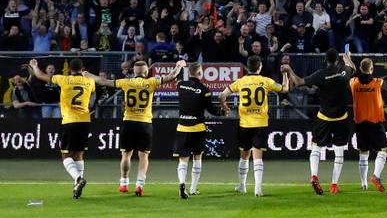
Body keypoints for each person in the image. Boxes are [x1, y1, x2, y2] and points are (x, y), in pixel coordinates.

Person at [89, 57, 185, 196]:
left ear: (134, 72)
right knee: (143, 156)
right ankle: (139, 185)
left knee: (126, 155)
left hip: (129, 122)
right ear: (146, 72)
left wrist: (88, 75)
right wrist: (179, 65)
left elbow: (103, 81)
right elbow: (171, 76)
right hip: (145, 123)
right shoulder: (151, 82)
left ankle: (124, 183)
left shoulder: (126, 82)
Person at [284, 49, 356, 194]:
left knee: (316, 146)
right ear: (338, 60)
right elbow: (353, 69)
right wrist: (348, 58)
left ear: (325, 60)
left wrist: (289, 69)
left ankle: (314, 175)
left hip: (324, 117)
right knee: (339, 152)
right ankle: (334, 185)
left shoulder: (320, 74)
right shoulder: (344, 71)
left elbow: (298, 82)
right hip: (341, 118)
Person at [221, 55, 290, 197]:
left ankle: (242, 185)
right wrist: (284, 74)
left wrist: (225, 106)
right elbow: (285, 89)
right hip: (261, 123)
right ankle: (258, 189)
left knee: (244, 155)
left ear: (247, 67)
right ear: (260, 67)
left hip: (245, 124)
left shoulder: (240, 82)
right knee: (258, 156)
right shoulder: (266, 81)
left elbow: (222, 95)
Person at [26, 57, 94, 199]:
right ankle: (76, 187)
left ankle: (78, 179)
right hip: (85, 121)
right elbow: (92, 95)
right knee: (79, 154)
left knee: (66, 155)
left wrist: (35, 66)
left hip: (69, 121)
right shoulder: (90, 81)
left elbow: (40, 76)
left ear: (69, 69)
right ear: (82, 69)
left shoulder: (64, 79)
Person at [174, 62, 224, 199]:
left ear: (189, 73)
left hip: (182, 127)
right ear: (200, 73)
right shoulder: (205, 90)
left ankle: (182, 184)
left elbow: (176, 78)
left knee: (183, 160)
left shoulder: (181, 85)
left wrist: (179, 66)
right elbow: (211, 109)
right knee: (197, 158)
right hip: (198, 128)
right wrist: (223, 112)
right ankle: (193, 188)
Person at [351, 57, 387, 191]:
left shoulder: (353, 82)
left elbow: (352, 74)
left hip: (360, 123)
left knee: (363, 153)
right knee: (382, 150)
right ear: (371, 69)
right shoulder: (378, 82)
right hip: (375, 121)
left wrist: (349, 62)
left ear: (361, 68)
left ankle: (363, 184)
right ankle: (376, 176)